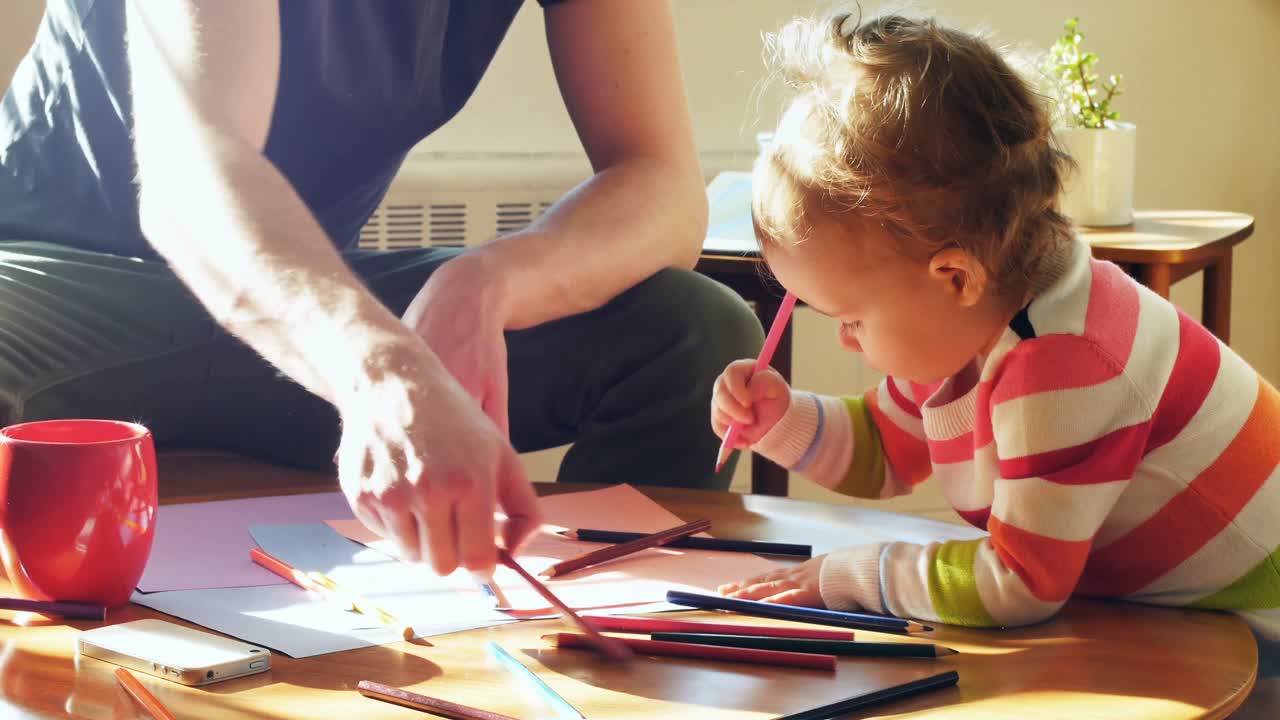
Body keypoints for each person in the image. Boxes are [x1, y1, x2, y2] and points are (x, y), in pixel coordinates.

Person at [0, 0, 763, 578]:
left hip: (305, 305)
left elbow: (661, 186)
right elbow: (192, 181)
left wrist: (489, 280)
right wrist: (380, 369)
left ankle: (592, 639)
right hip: (60, 286)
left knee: (693, 333)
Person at [711, 11, 1278, 715]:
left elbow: (1020, 584)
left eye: (851, 319)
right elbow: (888, 449)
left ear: (953, 276)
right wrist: (780, 419)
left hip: (1254, 629)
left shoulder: (1065, 364)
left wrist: (855, 576)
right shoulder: (976, 315)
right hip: (1158, 606)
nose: (847, 343)